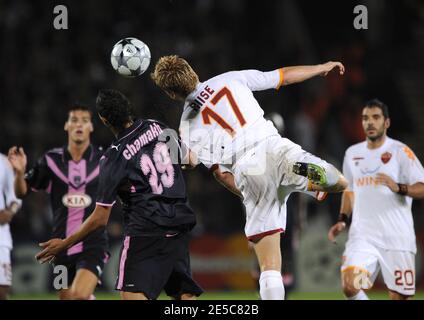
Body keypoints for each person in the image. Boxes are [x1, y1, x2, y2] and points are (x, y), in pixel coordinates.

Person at [150, 55, 348, 300]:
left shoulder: (186, 126)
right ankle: (310, 182)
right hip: (273, 148)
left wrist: (173, 148)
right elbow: (282, 76)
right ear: (192, 70)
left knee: (269, 267)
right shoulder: (230, 79)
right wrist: (320, 68)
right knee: (339, 181)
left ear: (171, 93)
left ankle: (298, 185)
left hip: (247, 170)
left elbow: (216, 172)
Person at [35, 89, 203, 300]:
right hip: (178, 225)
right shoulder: (158, 127)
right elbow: (191, 161)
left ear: (104, 120)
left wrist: (65, 243)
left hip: (146, 232)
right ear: (128, 109)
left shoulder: (113, 157)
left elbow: (100, 219)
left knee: (132, 296)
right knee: (184, 295)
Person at [8, 105, 109, 300]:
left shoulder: (103, 159)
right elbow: (21, 192)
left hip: (92, 244)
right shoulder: (51, 160)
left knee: (79, 295)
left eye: (84, 120)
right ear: (66, 126)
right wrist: (20, 173)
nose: (79, 124)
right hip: (60, 247)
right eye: (74, 120)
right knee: (66, 298)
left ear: (91, 127)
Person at [328, 99, 424, 300]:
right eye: (365, 118)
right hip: (363, 236)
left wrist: (399, 187)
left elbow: (422, 187)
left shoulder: (400, 151)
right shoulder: (352, 154)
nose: (369, 122)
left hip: (397, 238)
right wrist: (342, 219)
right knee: (350, 285)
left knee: (399, 297)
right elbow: (350, 191)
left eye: (375, 117)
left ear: (386, 123)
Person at [0, 154, 21, 300]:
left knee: (2, 290)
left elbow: (15, 197)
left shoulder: (3, 162)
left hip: (1, 235)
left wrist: (10, 212)